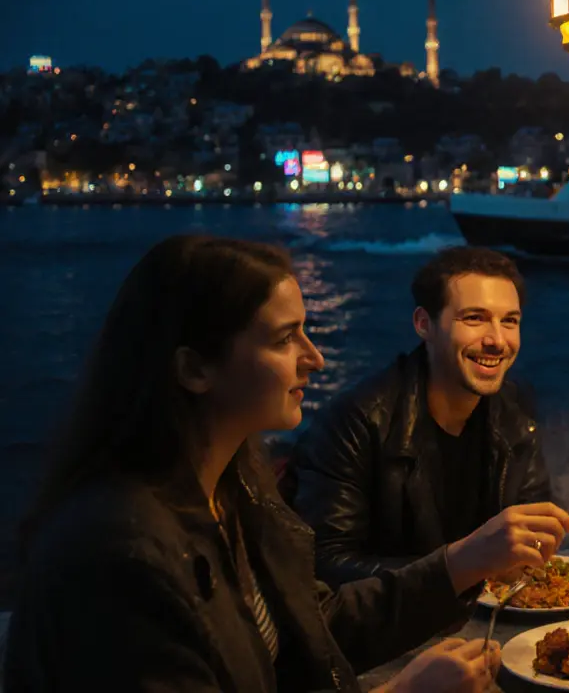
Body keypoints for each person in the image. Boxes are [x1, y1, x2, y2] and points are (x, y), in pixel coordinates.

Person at [3, 236, 500, 692]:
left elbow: (314, 624)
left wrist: (461, 561)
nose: (315, 358)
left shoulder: (233, 489)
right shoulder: (117, 559)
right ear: (194, 369)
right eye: (285, 339)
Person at [290, 246, 569, 597]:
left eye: (509, 321)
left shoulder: (515, 410)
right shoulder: (359, 421)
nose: (497, 340)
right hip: (385, 641)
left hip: (484, 623)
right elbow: (324, 565)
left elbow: (530, 540)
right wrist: (461, 564)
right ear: (424, 324)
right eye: (474, 318)